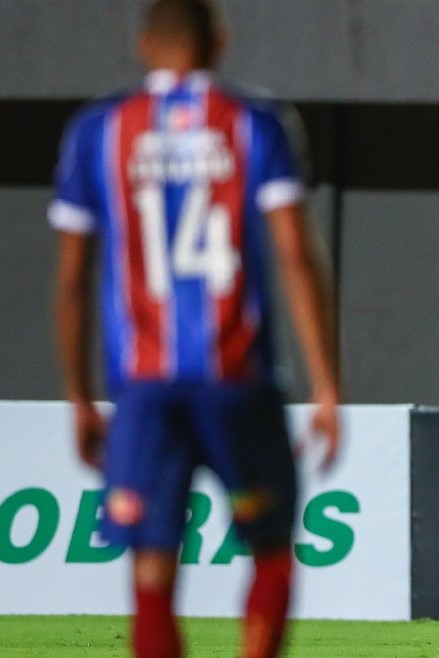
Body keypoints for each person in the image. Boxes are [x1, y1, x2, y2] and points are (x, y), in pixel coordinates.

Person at [50, 2, 340, 657]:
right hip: (237, 381)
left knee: (152, 570)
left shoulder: (99, 129)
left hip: (145, 389)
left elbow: (72, 278)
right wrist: (326, 384)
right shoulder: (257, 124)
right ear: (222, 42)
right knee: (269, 552)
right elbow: (295, 254)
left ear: (144, 44)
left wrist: (76, 393)